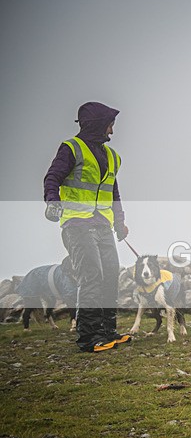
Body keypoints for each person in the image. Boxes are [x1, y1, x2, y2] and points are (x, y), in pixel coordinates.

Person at [43, 102, 131, 352]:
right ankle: (88, 338)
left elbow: (114, 193)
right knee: (91, 276)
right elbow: (52, 177)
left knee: (111, 273)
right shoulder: (71, 148)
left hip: (103, 225)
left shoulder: (112, 156)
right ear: (96, 125)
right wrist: (52, 201)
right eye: (109, 125)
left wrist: (120, 223)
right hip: (77, 224)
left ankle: (108, 331)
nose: (112, 132)